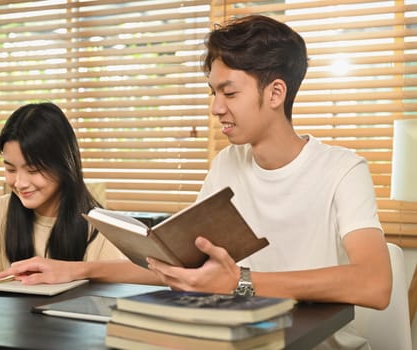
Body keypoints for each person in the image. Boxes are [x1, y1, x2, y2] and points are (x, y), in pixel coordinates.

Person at [143, 15, 392, 350]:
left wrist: (240, 282)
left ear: (275, 93)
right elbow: (182, 265)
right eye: (213, 93)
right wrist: (78, 269)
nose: (216, 108)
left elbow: (375, 284)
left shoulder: (343, 170)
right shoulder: (225, 166)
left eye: (229, 92)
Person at [0, 102, 142, 284]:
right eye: (10, 169)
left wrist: (75, 270)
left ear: (64, 165)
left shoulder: (98, 225)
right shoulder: (3, 211)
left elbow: (151, 273)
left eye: (33, 170)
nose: (19, 182)